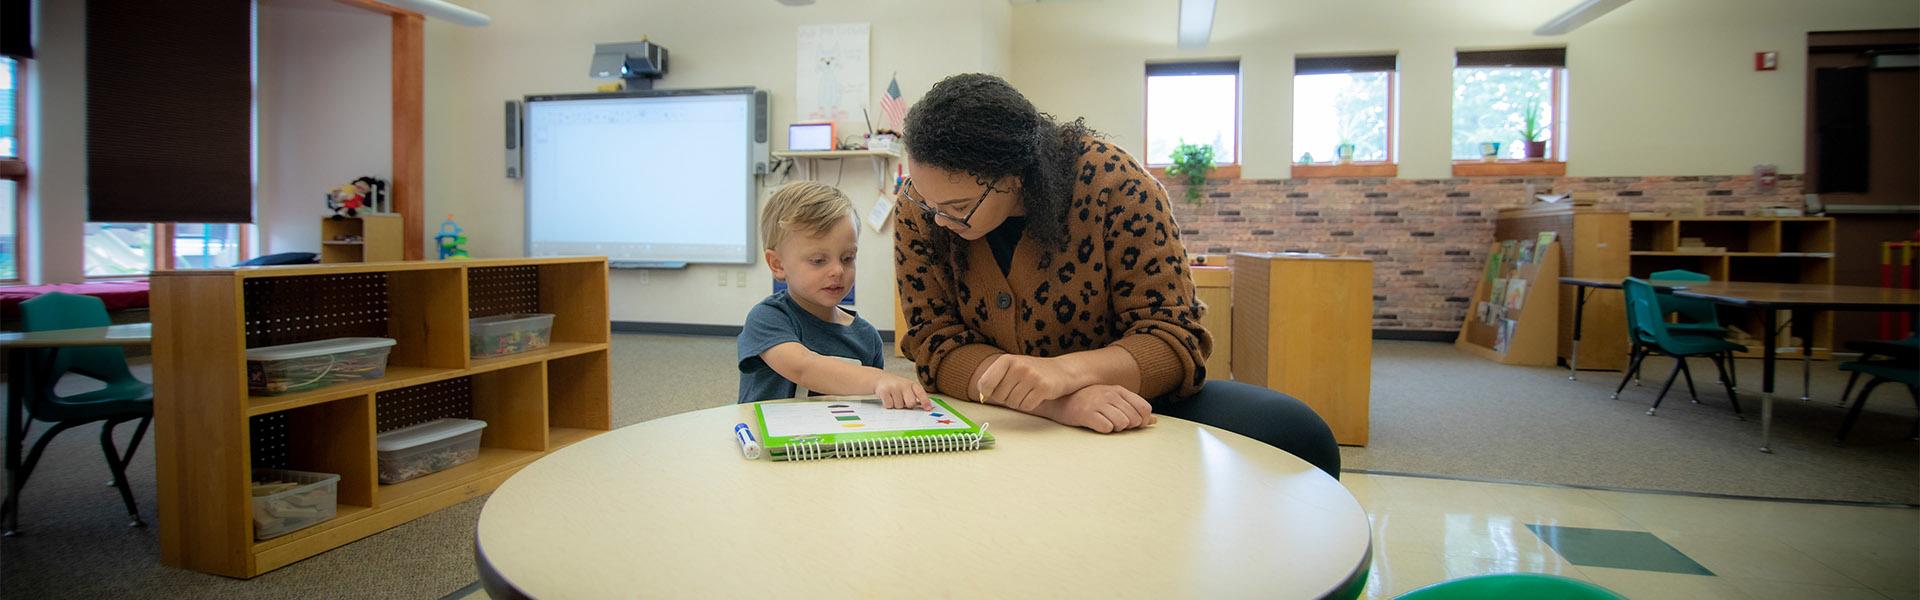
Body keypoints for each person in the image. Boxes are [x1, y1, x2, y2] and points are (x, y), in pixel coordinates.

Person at [893, 73, 1341, 477]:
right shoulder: (923, 208)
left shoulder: (1114, 185)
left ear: (1015, 176)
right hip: (1001, 421)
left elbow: (1173, 339)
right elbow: (935, 343)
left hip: (1127, 415)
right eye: (926, 203)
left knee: (1297, 433)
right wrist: (1057, 402)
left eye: (957, 209)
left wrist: (1068, 372)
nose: (938, 220)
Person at [737, 181, 932, 409]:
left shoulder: (867, 337)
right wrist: (878, 379)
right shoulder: (768, 318)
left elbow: (871, 406)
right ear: (778, 264)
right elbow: (803, 368)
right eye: (818, 261)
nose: (838, 270)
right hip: (767, 443)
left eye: (847, 258)